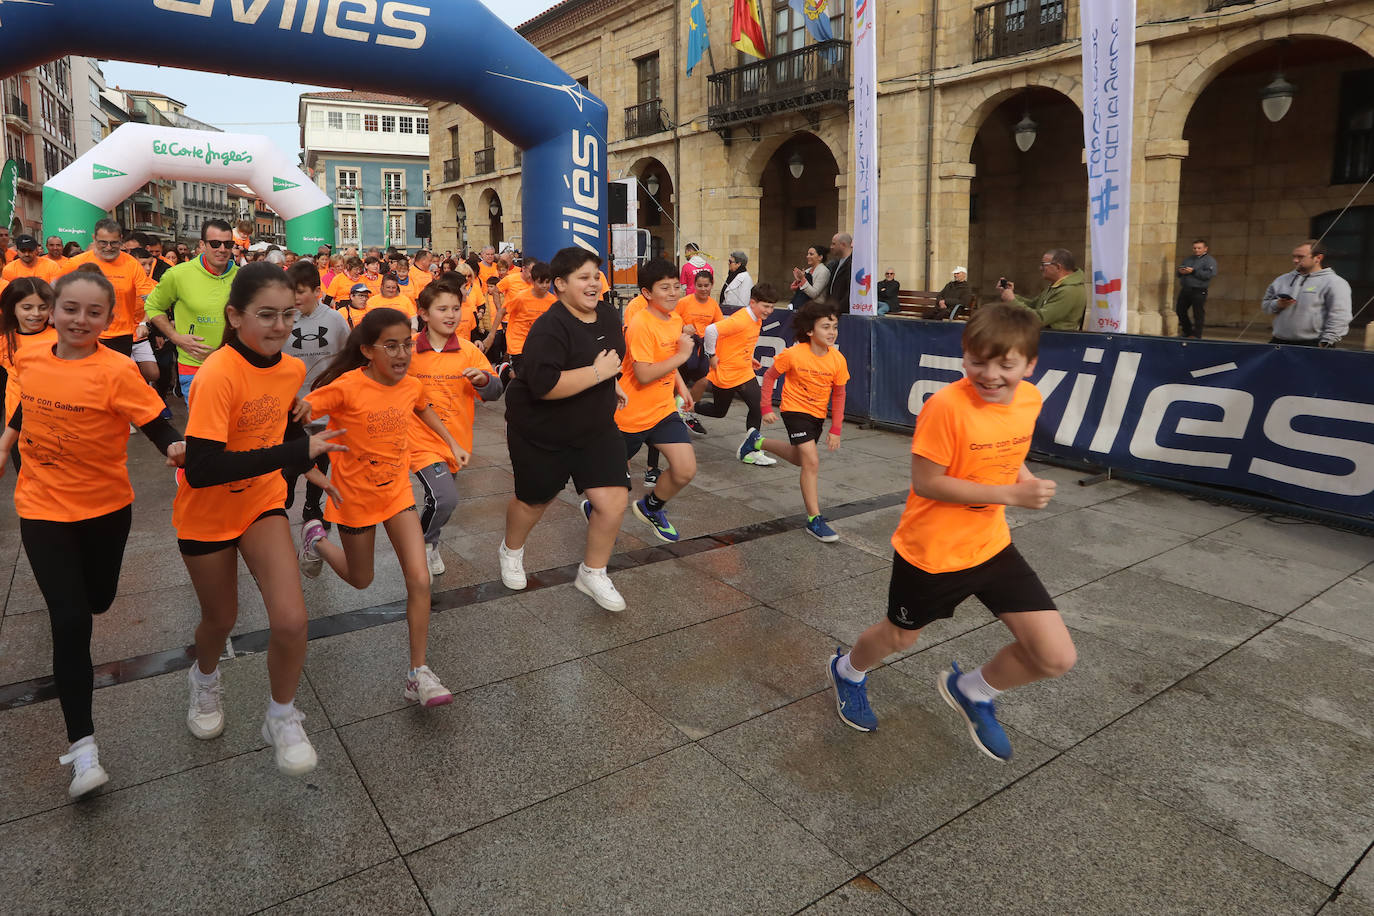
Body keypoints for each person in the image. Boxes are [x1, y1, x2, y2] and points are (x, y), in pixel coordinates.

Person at [825, 303, 1075, 758]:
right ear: (964, 356)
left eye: (1006, 364)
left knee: (1055, 656)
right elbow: (927, 481)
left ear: (1030, 363)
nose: (990, 374)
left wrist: (1022, 479)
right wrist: (1014, 496)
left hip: (992, 546)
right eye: (977, 361)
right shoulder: (946, 407)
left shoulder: (1031, 398)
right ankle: (847, 670)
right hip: (932, 553)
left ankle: (974, 691)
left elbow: (1010, 449)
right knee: (899, 637)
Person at [0, 270, 185, 798]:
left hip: (106, 509)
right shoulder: (30, 357)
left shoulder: (118, 370)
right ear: (54, 311)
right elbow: (23, 404)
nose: (81, 320)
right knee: (72, 618)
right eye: (71, 309)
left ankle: (91, 599)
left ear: (108, 319)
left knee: (99, 599)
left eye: (94, 313)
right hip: (41, 507)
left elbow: (156, 422)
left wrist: (174, 446)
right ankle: (84, 750)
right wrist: (6, 443)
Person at [175, 262, 340, 776]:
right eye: (265, 315)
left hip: (262, 503)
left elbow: (283, 436)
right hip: (207, 512)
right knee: (220, 619)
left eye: (287, 315)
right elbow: (202, 469)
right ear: (235, 315)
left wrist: (307, 456)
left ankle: (282, 714)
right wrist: (295, 453)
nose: (278, 326)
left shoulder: (291, 369)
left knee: (291, 619)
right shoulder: (217, 373)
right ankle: (204, 680)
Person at [298, 307, 465, 706]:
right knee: (361, 580)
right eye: (390, 346)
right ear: (368, 350)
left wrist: (450, 442)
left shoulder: (408, 384)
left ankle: (418, 674)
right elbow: (294, 418)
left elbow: (422, 405)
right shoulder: (344, 388)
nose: (402, 354)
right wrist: (302, 465)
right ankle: (315, 539)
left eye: (407, 344)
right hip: (354, 500)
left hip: (396, 494)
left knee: (420, 579)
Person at [499, 246, 630, 612]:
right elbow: (545, 384)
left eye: (596, 276)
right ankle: (511, 550)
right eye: (583, 277)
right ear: (560, 284)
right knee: (534, 501)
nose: (593, 283)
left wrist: (610, 382)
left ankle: (593, 571)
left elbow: (607, 357)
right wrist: (598, 375)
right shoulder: (548, 329)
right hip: (543, 431)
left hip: (594, 426)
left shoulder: (606, 313)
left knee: (613, 500)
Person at [408, 283, 503, 577]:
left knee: (439, 500)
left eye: (455, 308)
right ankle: (422, 545)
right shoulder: (408, 347)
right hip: (418, 440)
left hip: (456, 442)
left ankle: (430, 540)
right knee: (445, 498)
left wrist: (484, 381)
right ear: (423, 313)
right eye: (442, 309)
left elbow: (496, 391)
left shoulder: (468, 351)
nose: (451, 315)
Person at [742, 300, 849, 543]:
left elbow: (840, 394)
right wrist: (766, 407)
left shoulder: (838, 360)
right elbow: (769, 377)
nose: (831, 332)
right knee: (811, 461)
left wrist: (836, 429)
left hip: (817, 415)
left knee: (800, 459)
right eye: (825, 327)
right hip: (795, 410)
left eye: (834, 326)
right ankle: (814, 519)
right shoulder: (794, 354)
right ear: (810, 331)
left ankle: (757, 442)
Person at [614, 259, 699, 543]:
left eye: (677, 286)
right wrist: (682, 357)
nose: (674, 293)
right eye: (665, 288)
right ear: (646, 293)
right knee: (612, 487)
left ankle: (651, 507)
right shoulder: (640, 324)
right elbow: (643, 373)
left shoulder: (674, 319)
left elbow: (666, 362)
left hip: (662, 409)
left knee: (685, 469)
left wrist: (681, 385)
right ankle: (596, 505)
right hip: (631, 414)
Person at [283, 260, 349, 533]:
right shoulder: (283, 318)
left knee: (320, 457)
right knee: (289, 457)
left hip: (323, 402)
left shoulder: (334, 319)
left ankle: (312, 505)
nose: (295, 298)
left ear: (316, 290)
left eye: (300, 291)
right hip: (290, 402)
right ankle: (281, 494)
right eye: (291, 292)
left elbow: (347, 356)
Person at [143, 219, 238, 399]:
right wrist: (175, 337)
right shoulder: (178, 274)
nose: (222, 249)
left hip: (235, 367)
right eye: (215, 243)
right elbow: (153, 306)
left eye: (228, 244)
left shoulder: (242, 277)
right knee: (203, 426)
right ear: (202, 245)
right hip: (195, 367)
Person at [696, 282, 779, 466]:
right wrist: (711, 355)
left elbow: (739, 342)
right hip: (726, 373)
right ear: (752, 302)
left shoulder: (756, 318)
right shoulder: (742, 319)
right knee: (719, 412)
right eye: (766, 306)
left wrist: (749, 358)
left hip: (743, 371)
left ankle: (750, 450)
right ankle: (688, 407)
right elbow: (711, 330)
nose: (769, 310)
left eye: (772, 307)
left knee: (757, 406)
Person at [55, 219, 155, 356]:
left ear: (121, 240)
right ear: (94, 238)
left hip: (121, 336)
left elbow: (151, 299)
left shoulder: (131, 263)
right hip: (84, 332)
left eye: (114, 243)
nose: (108, 247)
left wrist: (144, 323)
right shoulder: (76, 263)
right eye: (103, 242)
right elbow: (53, 292)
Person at [0, 277, 57, 468]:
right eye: (27, 308)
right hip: (17, 431)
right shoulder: (5, 340)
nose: (36, 314)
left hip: (55, 430)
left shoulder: (61, 339)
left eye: (42, 307)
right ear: (13, 308)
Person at [1261, 239, 1351, 347]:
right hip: (1279, 341)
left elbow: (1340, 315)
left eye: (1300, 257)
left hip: (1314, 344)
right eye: (1294, 256)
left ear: (1318, 258)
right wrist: (1277, 304)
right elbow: (1265, 306)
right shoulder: (1281, 280)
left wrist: (1327, 341)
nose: (1295, 260)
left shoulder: (1335, 282)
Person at [674, 267, 721, 435]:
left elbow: (720, 327)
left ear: (711, 285)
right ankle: (668, 414)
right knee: (677, 383)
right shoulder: (684, 302)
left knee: (704, 380)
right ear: (694, 285)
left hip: (703, 348)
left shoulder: (713, 305)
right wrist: (682, 327)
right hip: (684, 346)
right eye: (699, 286)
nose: (703, 289)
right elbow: (669, 320)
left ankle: (685, 409)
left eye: (706, 285)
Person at [999, 248, 1086, 331]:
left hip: (1056, 342)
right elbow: (1033, 305)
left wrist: (1012, 300)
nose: (1040, 268)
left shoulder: (1068, 291)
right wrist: (1009, 294)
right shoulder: (1057, 286)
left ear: (1058, 267)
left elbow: (1039, 319)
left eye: (1044, 265)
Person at [502, 261, 556, 376]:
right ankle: (508, 373)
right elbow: (503, 311)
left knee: (534, 376)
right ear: (532, 281)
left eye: (547, 282)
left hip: (537, 344)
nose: (545, 286)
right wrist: (491, 336)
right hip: (518, 342)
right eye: (541, 282)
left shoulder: (553, 301)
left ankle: (507, 372)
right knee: (523, 376)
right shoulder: (521, 297)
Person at [1173, 240, 1217, 339]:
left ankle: (1197, 334)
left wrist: (1194, 271)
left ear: (1205, 248)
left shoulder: (1209, 260)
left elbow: (1209, 275)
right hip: (1186, 289)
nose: (1196, 250)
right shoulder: (1188, 259)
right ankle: (1187, 331)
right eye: (1195, 248)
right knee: (1180, 310)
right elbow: (1179, 273)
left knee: (1198, 313)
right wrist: (1181, 272)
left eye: (1199, 248)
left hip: (1199, 289)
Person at [790, 243, 831, 309]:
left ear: (820, 257)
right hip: (802, 307)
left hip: (815, 309)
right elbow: (802, 293)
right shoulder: (807, 270)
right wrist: (798, 281)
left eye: (811, 254)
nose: (807, 256)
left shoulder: (824, 271)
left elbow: (814, 294)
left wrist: (802, 279)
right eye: (808, 254)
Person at [826, 232, 853, 313]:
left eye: (834, 244)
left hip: (842, 313)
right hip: (832, 309)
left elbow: (850, 291)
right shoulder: (835, 264)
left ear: (843, 245)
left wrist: (838, 309)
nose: (831, 247)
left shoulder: (852, 264)